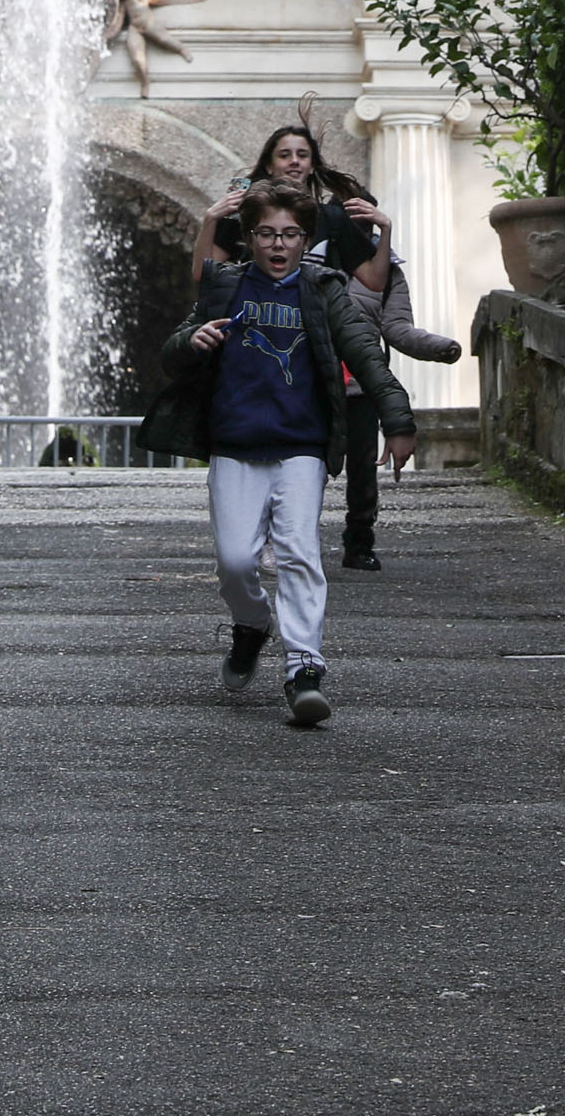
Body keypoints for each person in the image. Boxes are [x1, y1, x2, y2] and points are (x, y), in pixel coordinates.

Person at [144, 181, 414, 726]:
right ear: (248, 238)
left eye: (290, 234)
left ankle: (304, 668)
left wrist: (398, 418)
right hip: (236, 444)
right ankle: (252, 624)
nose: (278, 244)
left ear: (305, 239)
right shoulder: (225, 285)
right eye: (267, 233)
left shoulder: (323, 288)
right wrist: (192, 340)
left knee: (297, 551)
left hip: (301, 445)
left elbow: (364, 352)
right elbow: (173, 352)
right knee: (236, 561)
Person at [327, 228, 460, 570]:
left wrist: (437, 346)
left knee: (363, 469)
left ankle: (359, 542)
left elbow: (398, 327)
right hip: (312, 383)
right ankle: (290, 541)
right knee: (304, 467)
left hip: (361, 383)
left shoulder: (388, 271)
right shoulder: (309, 258)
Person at [205, 124, 385, 270]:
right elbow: (204, 272)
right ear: (269, 165)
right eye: (284, 155)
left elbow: (374, 280)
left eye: (302, 155)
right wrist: (210, 219)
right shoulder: (243, 215)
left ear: (312, 165)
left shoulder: (332, 219)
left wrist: (386, 228)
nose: (294, 161)